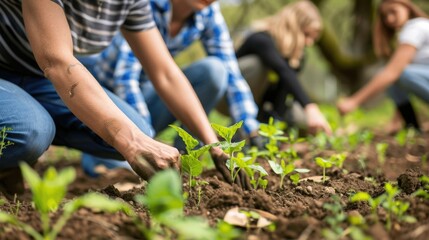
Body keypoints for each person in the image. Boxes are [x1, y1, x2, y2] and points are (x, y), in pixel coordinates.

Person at [0, 0, 249, 195]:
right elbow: (56, 61)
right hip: (14, 72)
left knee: (139, 128)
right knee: (30, 130)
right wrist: (131, 143)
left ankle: (22, 150)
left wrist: (215, 146)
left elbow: (165, 73)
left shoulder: (130, 2)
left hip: (42, 80)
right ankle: (20, 148)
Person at [79, 0, 264, 177]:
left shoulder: (208, 14)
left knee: (214, 71)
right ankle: (104, 151)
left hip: (149, 93)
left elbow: (231, 73)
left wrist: (250, 129)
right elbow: (125, 79)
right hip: (108, 102)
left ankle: (185, 159)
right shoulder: (144, 4)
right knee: (117, 169)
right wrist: (145, 142)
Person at [234, 0, 332, 135]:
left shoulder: (297, 57)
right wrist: (310, 107)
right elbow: (283, 70)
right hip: (231, 98)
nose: (309, 43)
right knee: (257, 65)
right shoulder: (261, 39)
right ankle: (241, 128)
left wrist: (274, 130)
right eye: (306, 34)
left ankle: (263, 131)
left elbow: (285, 89)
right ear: (293, 26)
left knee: (300, 116)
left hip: (261, 105)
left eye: (313, 39)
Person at [337, 0, 428, 133]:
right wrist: (396, 120)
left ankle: (413, 127)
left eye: (393, 11)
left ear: (406, 6)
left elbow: (393, 73)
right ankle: (412, 127)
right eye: (385, 16)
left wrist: (354, 101)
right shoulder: (412, 30)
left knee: (397, 74)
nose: (389, 19)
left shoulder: (415, 28)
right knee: (395, 79)